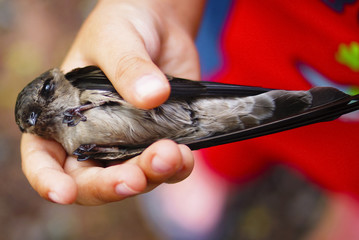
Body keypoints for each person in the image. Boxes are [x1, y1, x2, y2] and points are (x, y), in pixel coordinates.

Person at [21, 0, 359, 215]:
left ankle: (347, 199)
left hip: (194, 95)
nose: (49, 109)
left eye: (50, 90)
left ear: (60, 80)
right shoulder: (75, 145)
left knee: (333, 152)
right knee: (262, 127)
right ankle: (220, 170)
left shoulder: (80, 81)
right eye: (38, 121)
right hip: (190, 121)